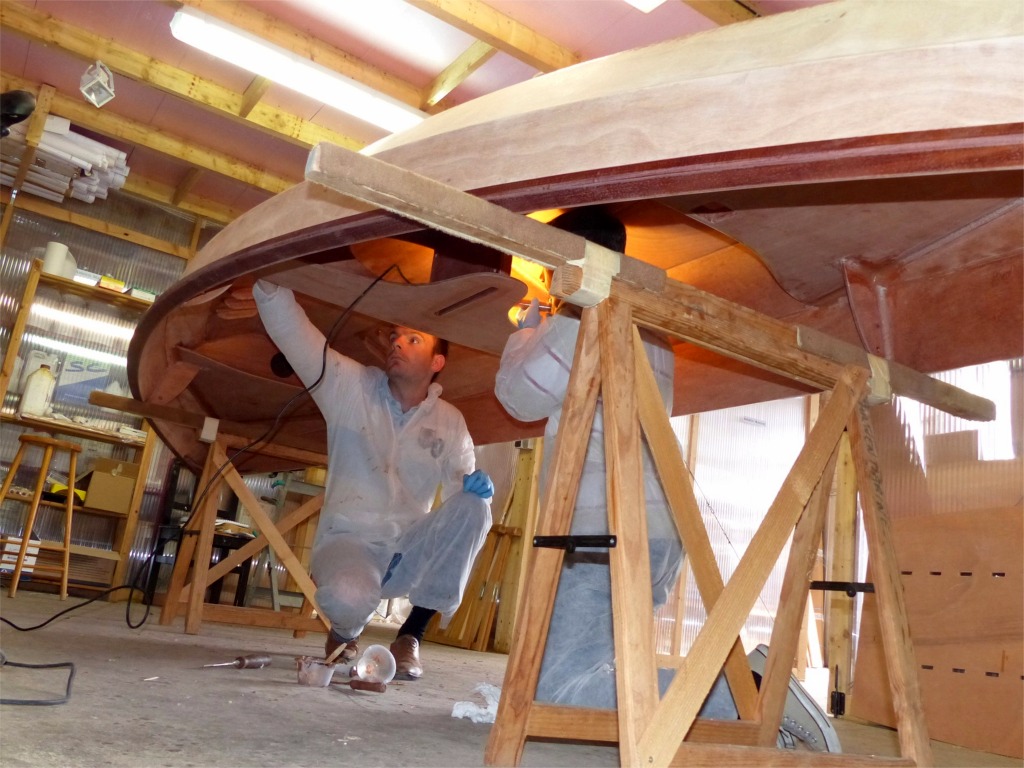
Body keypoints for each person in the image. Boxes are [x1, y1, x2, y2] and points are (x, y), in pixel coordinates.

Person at [493, 207, 839, 751]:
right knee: (586, 666)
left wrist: (528, 328)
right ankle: (742, 701)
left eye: (547, 261)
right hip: (649, 526)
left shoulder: (586, 308)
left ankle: (748, 696)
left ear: (571, 257)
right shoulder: (645, 318)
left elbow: (518, 393)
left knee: (559, 689)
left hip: (598, 530)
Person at [253, 279, 494, 680]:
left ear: (437, 363)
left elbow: (460, 492)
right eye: (396, 337)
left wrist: (473, 485)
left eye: (414, 340)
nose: (397, 343)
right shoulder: (350, 388)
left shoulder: (449, 421)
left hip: (406, 548)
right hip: (349, 540)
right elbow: (296, 337)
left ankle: (411, 635)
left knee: (474, 507)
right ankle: (344, 633)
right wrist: (271, 283)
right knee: (348, 596)